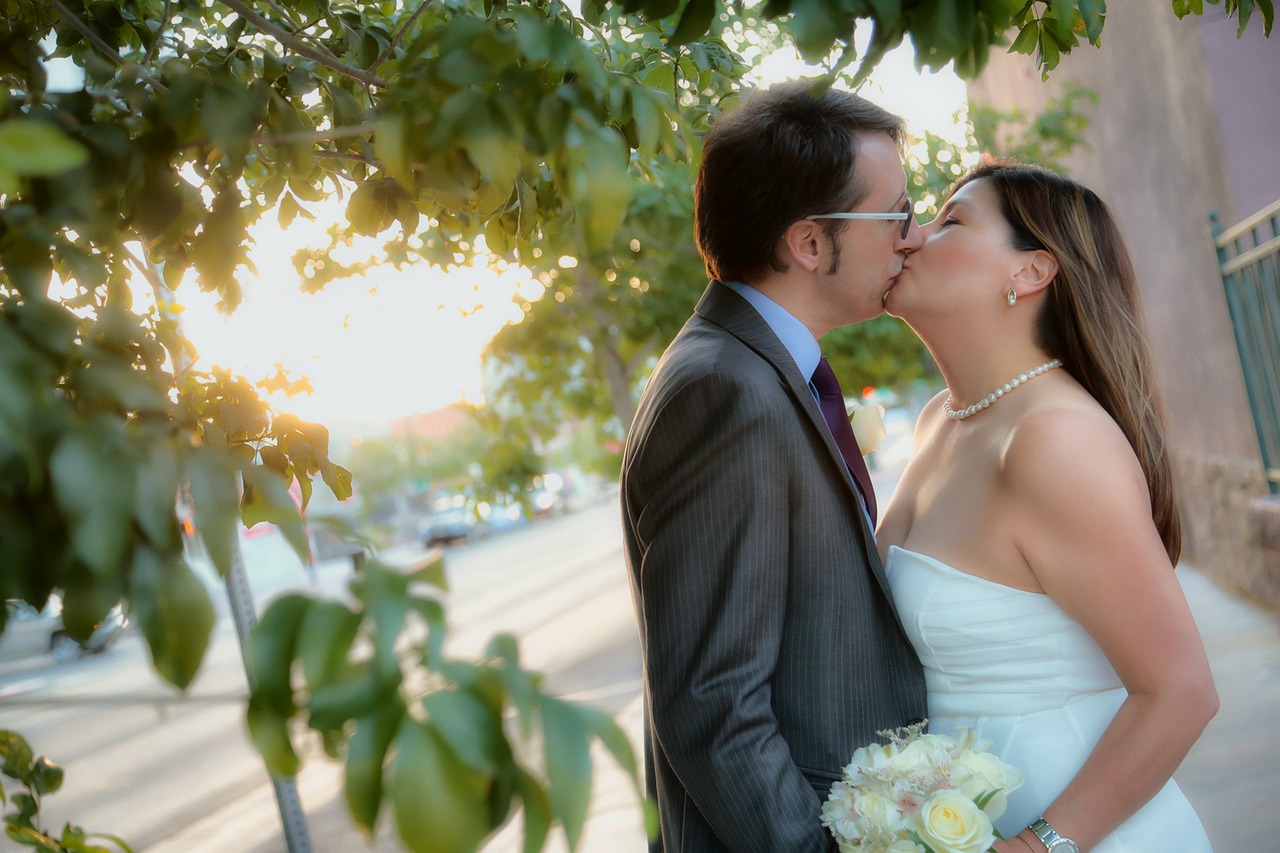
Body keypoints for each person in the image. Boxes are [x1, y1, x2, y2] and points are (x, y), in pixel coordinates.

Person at [620, 80, 928, 852]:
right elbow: (711, 698)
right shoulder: (726, 389)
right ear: (810, 243)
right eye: (895, 214)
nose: (912, 237)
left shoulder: (756, 369)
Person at [878, 161, 1218, 852]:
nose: (911, 235)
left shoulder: (1053, 439)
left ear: (1030, 272)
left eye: (951, 220)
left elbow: (1181, 690)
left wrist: (1039, 845)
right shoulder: (943, 419)